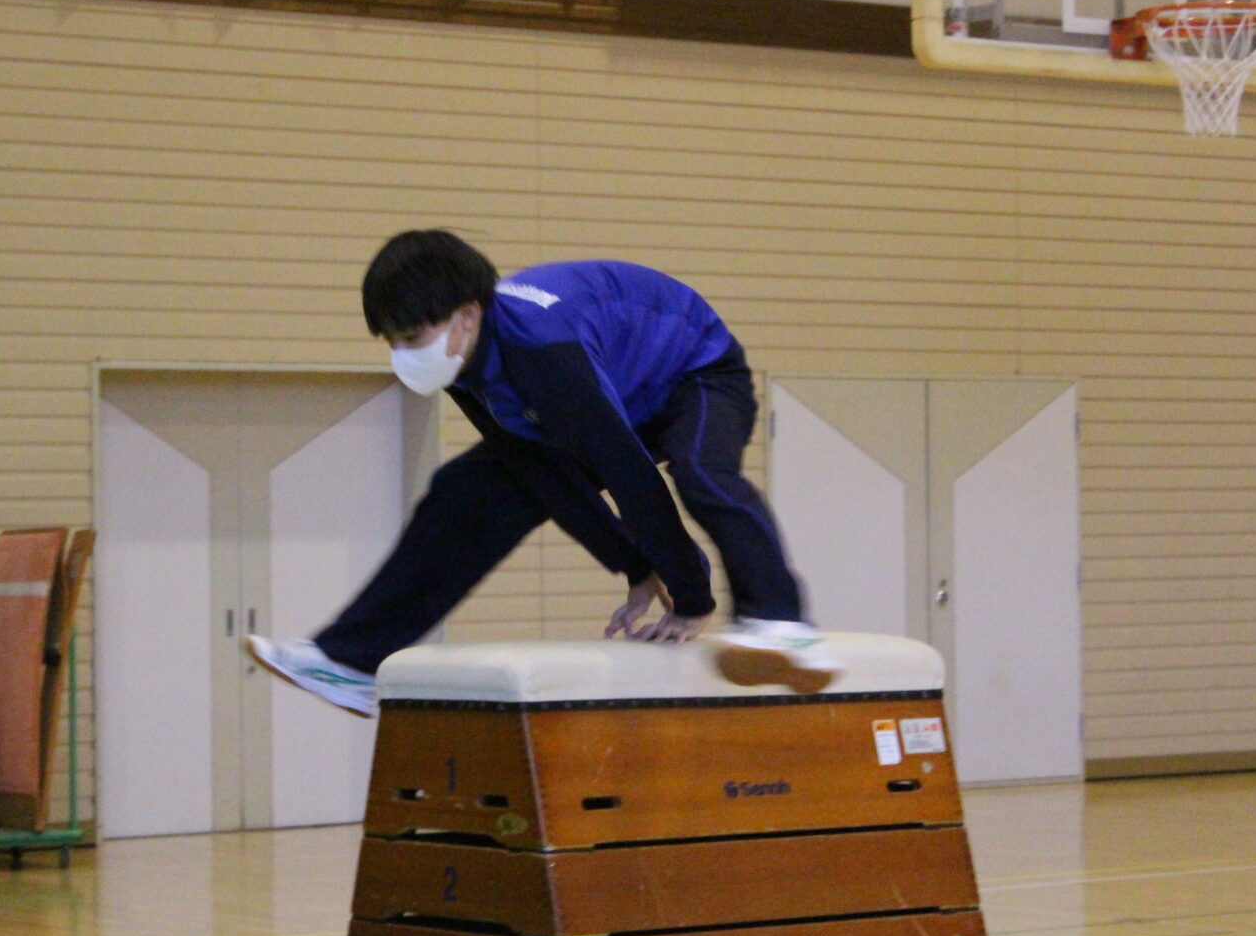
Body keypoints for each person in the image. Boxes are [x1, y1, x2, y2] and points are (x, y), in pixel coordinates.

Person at [247, 230, 840, 715]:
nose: (404, 355)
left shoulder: (543, 352)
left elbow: (628, 473)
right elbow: (547, 478)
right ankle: (351, 658)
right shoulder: (468, 369)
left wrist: (690, 595)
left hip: (697, 374)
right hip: (615, 396)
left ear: (467, 316)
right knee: (470, 490)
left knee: (699, 470)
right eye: (394, 342)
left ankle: (780, 619)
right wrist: (634, 563)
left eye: (412, 337)